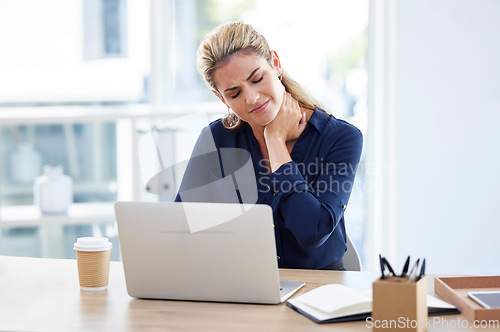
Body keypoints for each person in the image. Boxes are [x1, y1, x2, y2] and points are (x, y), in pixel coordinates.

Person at [175, 21, 363, 270]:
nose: (251, 98)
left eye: (256, 79)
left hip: (318, 288)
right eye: (234, 93)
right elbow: (181, 227)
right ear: (221, 98)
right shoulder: (216, 138)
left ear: (275, 64)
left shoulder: (340, 138)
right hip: (239, 283)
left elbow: (312, 232)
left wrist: (275, 142)